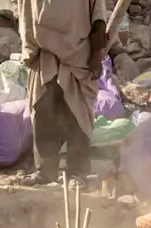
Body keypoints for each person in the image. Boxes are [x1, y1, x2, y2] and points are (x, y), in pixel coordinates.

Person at [19, 0, 107, 183]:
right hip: (44, 53)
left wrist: (97, 53)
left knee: (76, 113)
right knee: (44, 111)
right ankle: (46, 170)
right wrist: (29, 48)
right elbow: (26, 12)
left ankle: (77, 171)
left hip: (78, 52)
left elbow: (98, 14)